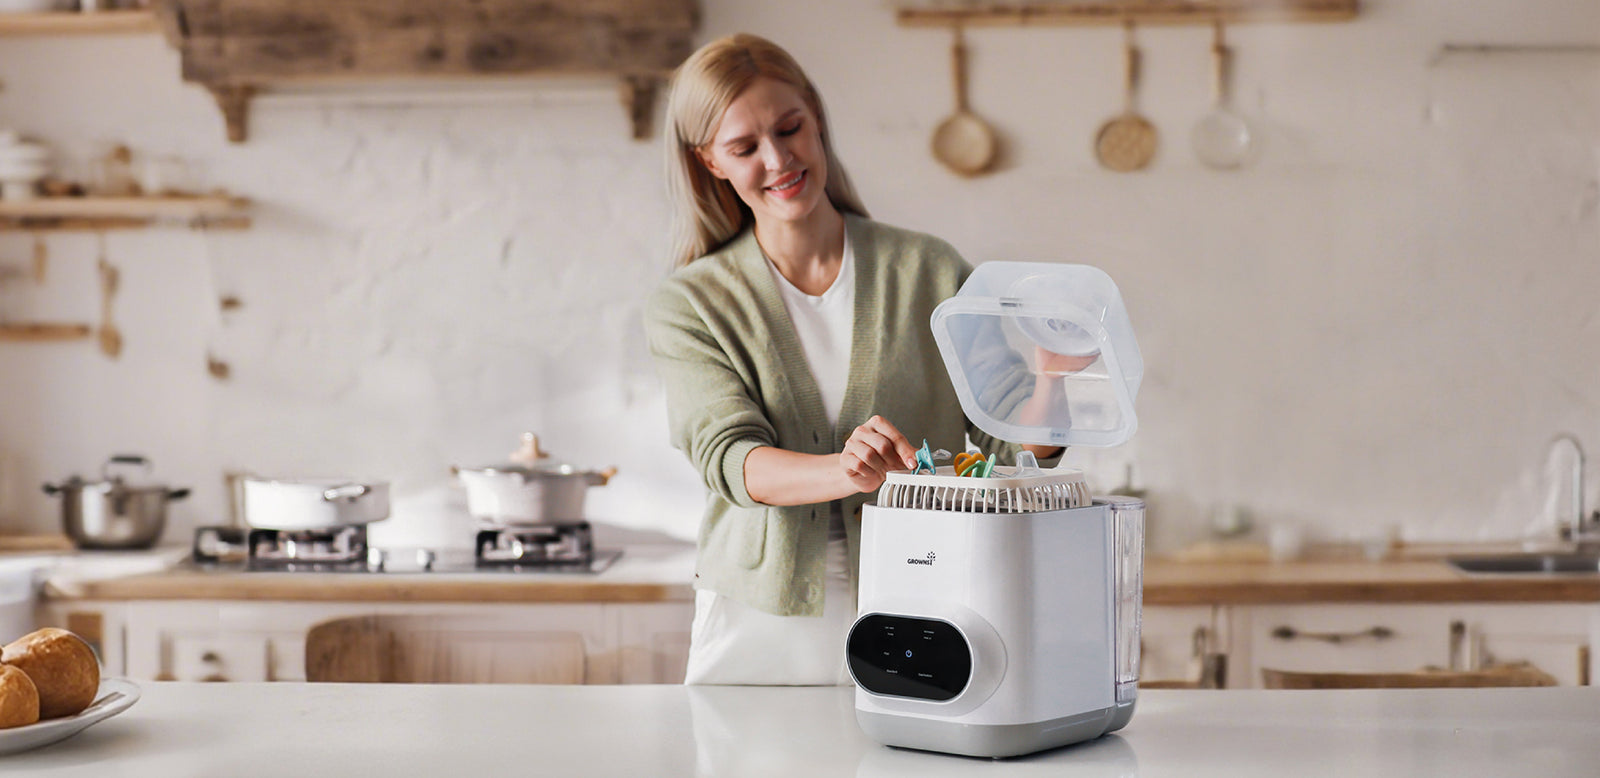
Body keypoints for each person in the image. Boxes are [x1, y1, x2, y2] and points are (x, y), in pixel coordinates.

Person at [644, 33, 1063, 686]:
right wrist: (846, 470)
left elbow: (999, 455)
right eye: (745, 147)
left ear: (815, 115)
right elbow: (730, 459)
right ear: (710, 163)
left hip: (929, 601)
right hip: (759, 626)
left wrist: (1053, 385)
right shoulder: (692, 303)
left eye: (790, 128)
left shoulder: (931, 271)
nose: (779, 159)